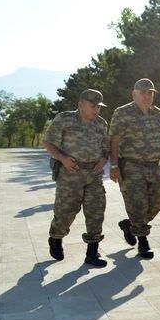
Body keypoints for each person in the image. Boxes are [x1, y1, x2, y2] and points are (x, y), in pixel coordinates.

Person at [109, 78, 160, 259]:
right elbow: (114, 140)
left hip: (154, 166)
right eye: (143, 92)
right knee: (137, 204)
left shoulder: (159, 114)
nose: (147, 96)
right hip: (131, 166)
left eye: (150, 93)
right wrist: (114, 165)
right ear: (134, 94)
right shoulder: (122, 113)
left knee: (157, 202)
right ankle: (143, 241)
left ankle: (130, 225)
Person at [43, 89, 109, 267]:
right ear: (80, 104)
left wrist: (103, 161)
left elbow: (105, 149)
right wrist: (63, 159)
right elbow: (48, 142)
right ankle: (56, 237)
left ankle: (92, 253)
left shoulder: (101, 124)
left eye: (99, 107)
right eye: (93, 106)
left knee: (96, 212)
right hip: (70, 173)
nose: (96, 110)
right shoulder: (65, 119)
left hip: (93, 175)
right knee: (66, 212)